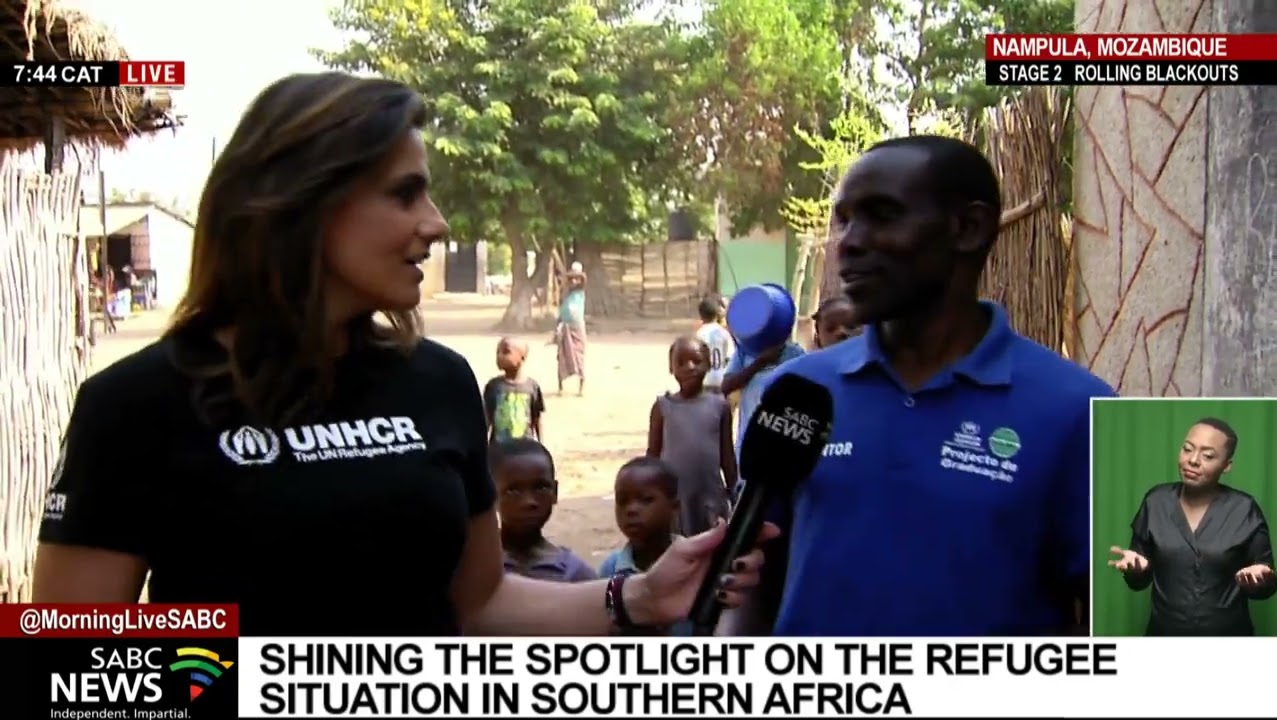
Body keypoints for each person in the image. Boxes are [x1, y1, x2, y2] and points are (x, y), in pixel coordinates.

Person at [31, 72, 772, 637]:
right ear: (305, 204)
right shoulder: (135, 406)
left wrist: (636, 595)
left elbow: (481, 603)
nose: (438, 224)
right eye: (405, 194)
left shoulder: (438, 382)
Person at [719, 135, 1116, 637]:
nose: (848, 243)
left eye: (883, 215)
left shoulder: (1080, 412)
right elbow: (752, 580)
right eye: (844, 220)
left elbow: (1113, 618)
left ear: (968, 228)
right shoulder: (798, 392)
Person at [1107, 417, 1276, 636]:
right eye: (1187, 449)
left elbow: (1267, 586)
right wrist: (1137, 571)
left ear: (1226, 466)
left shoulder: (1245, 509)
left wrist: (1260, 582)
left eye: (1208, 456)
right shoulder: (1155, 501)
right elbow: (1137, 582)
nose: (1193, 460)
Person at [647, 336, 737, 536]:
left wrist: (735, 493)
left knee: (712, 545)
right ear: (671, 368)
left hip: (710, 498)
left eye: (696, 361)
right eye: (681, 362)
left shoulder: (719, 406)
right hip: (675, 499)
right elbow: (652, 456)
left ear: (709, 364)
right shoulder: (662, 407)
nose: (689, 367)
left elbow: (727, 457)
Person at [599, 457, 693, 636]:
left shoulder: (694, 566)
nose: (631, 510)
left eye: (646, 500)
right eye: (622, 501)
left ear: (674, 507)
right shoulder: (611, 569)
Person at [492, 439, 594, 582]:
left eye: (540, 488)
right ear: (491, 496)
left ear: (555, 492)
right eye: (513, 491)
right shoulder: (475, 566)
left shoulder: (573, 573)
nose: (529, 501)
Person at [720, 337, 805, 501]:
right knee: (748, 500)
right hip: (750, 445)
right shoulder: (744, 352)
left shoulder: (795, 352)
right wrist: (761, 361)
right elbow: (726, 386)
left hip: (784, 445)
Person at [483, 337, 545, 443]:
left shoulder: (532, 386)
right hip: (499, 447)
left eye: (506, 352)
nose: (500, 356)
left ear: (522, 358)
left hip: (525, 446)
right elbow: (486, 418)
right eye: (498, 352)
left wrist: (541, 444)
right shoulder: (493, 386)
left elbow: (537, 418)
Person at [555, 262, 587, 396]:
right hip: (565, 326)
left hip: (577, 327)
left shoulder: (580, 292)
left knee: (579, 356)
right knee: (561, 357)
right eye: (572, 278)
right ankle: (561, 388)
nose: (574, 281)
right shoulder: (565, 293)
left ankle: (581, 389)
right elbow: (562, 309)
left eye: (577, 278)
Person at [695, 297, 735, 395]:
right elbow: (730, 357)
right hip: (721, 378)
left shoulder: (698, 334)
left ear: (701, 315)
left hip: (704, 380)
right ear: (717, 314)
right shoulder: (723, 333)